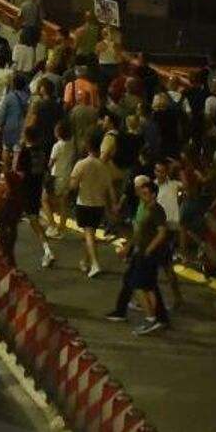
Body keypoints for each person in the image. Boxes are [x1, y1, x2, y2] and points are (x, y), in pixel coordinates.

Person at [105, 176, 171, 334]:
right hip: (141, 251)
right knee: (149, 287)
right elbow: (139, 232)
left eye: (146, 193)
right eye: (142, 193)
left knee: (138, 285)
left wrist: (148, 249)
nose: (143, 196)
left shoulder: (156, 211)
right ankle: (157, 318)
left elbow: (162, 233)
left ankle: (150, 318)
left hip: (147, 254)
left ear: (154, 194)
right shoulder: (146, 207)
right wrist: (129, 247)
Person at [68, 135, 119, 278]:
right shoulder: (104, 166)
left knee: (89, 234)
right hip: (99, 205)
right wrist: (114, 204)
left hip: (84, 203)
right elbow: (110, 188)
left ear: (88, 146)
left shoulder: (81, 164)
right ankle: (85, 261)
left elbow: (72, 185)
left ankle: (95, 264)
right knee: (90, 233)